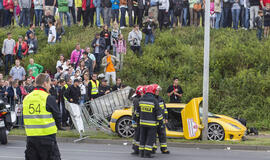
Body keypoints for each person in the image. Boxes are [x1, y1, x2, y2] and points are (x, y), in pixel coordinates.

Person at [23, 73, 62, 160]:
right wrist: (58, 126)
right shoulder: (48, 98)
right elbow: (58, 116)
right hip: (47, 138)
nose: (50, 87)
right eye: (49, 84)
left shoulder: (26, 98)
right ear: (44, 84)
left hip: (31, 139)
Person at [138, 85, 163, 158]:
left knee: (142, 137)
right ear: (152, 91)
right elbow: (158, 113)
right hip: (151, 124)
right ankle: (147, 153)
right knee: (150, 138)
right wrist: (161, 122)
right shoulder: (154, 100)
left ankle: (141, 153)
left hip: (142, 123)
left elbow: (138, 111)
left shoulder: (141, 99)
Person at [152, 84, 170, 154]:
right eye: (156, 90)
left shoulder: (161, 99)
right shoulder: (152, 99)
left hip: (161, 120)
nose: (158, 92)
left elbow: (164, 109)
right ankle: (153, 148)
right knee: (153, 136)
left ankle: (164, 149)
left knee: (162, 135)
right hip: (154, 120)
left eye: (158, 90)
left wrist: (166, 117)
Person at [131, 85, 144, 155]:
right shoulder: (137, 100)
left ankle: (136, 148)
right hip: (137, 120)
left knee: (137, 135)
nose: (143, 94)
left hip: (136, 120)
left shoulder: (136, 98)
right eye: (141, 92)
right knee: (137, 135)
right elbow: (136, 112)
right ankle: (136, 149)